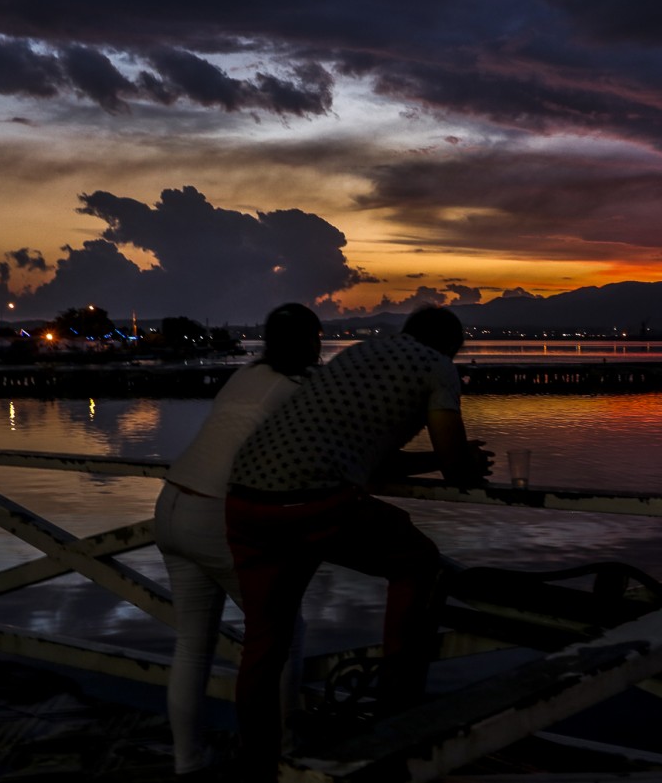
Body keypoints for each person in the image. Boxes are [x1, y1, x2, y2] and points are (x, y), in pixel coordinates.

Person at [224, 305, 492, 781]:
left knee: (264, 644)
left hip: (246, 502)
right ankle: (395, 708)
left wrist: (440, 460)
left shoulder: (361, 354)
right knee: (418, 562)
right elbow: (455, 466)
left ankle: (256, 764)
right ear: (452, 346)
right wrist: (470, 464)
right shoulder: (438, 367)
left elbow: (374, 460)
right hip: (313, 501)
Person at [154, 303, 322, 777]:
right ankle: (286, 748)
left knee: (192, 643)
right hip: (213, 513)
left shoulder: (247, 373)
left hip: (171, 502)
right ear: (310, 340)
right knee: (283, 633)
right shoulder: (298, 389)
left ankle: (188, 762)